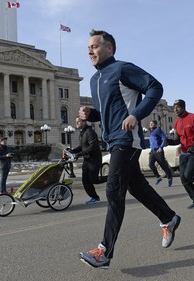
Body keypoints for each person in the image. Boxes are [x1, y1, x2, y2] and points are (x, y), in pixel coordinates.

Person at [78, 29, 180, 269]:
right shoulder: (95, 80)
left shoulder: (122, 69)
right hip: (112, 140)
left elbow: (155, 87)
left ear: (109, 48)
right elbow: (108, 113)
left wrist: (136, 114)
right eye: (88, 48)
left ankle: (104, 251)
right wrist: (91, 114)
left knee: (114, 190)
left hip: (128, 139)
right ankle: (168, 217)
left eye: (94, 46)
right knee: (137, 187)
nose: (89, 51)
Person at [71, 117, 107, 205]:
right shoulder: (82, 133)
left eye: (78, 122)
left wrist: (79, 154)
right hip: (87, 160)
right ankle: (94, 197)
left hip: (94, 159)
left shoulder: (90, 132)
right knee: (85, 180)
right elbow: (82, 146)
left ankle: (112, 178)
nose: (77, 124)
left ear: (84, 122)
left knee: (93, 179)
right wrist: (72, 151)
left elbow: (92, 147)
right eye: (76, 122)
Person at [148, 120, 173, 187]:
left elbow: (164, 138)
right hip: (152, 151)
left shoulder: (158, 130)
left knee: (163, 166)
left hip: (158, 151)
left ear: (155, 125)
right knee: (150, 164)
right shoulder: (150, 131)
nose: (150, 125)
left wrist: (161, 147)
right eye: (150, 123)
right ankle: (158, 177)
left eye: (152, 124)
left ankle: (170, 177)